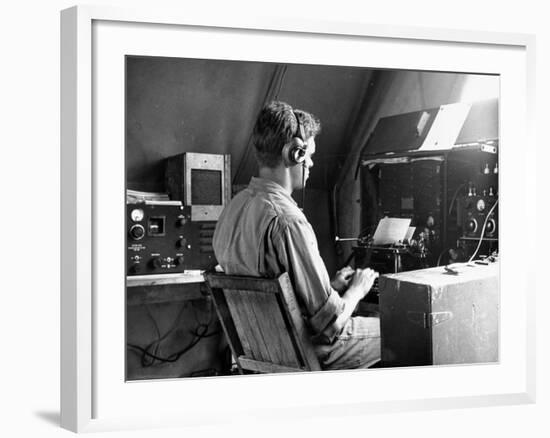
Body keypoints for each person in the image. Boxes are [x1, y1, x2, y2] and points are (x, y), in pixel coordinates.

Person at [212, 101, 380, 370]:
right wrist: (357, 291)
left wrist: (332, 287)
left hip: (264, 351)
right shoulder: (289, 221)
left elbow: (277, 291)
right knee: (398, 332)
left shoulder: (233, 208)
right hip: (308, 354)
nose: (311, 163)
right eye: (309, 155)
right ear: (295, 153)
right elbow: (330, 326)